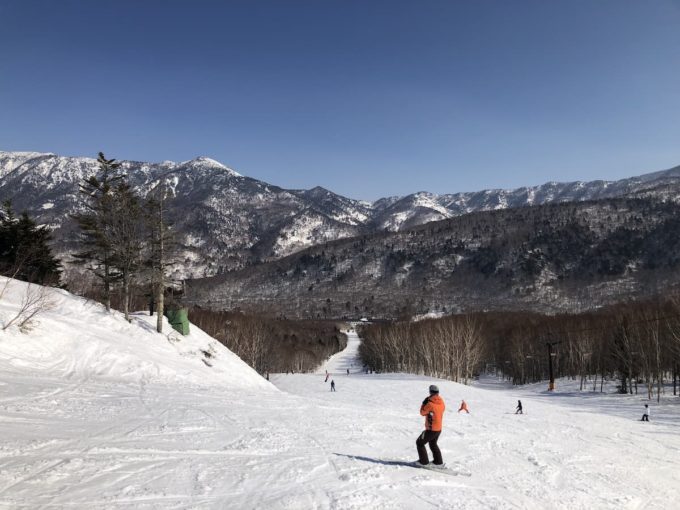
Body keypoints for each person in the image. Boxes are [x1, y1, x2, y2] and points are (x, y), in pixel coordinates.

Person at [416, 384, 446, 466]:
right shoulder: (441, 402)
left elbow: (422, 412)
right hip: (438, 429)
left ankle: (424, 462)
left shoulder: (430, 404)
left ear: (431, 392)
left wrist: (424, 403)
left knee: (419, 443)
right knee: (433, 444)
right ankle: (438, 462)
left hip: (431, 430)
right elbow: (442, 409)